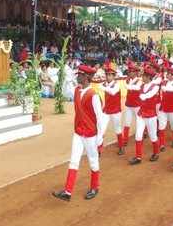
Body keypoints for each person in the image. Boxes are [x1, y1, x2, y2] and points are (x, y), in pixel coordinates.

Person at [52, 64, 103, 201]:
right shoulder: (77, 90)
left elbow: (100, 118)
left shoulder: (94, 95)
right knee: (74, 160)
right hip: (78, 132)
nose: (78, 77)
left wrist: (100, 139)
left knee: (93, 161)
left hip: (90, 134)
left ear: (86, 77)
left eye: (80, 75)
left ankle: (94, 187)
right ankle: (67, 192)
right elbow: (63, 92)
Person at [129, 65, 160, 165]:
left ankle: (156, 153)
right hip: (142, 113)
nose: (142, 77)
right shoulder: (141, 86)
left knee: (153, 136)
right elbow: (133, 87)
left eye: (144, 76)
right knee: (138, 135)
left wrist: (143, 96)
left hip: (151, 115)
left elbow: (150, 95)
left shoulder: (155, 87)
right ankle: (138, 157)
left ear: (148, 77)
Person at [99, 63, 123, 155]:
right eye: (107, 74)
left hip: (116, 111)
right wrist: (104, 86)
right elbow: (102, 87)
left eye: (110, 75)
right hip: (106, 110)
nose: (108, 76)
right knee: (102, 129)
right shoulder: (104, 84)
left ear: (114, 76)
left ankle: (121, 147)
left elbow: (112, 92)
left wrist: (104, 87)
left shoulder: (117, 85)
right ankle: (99, 149)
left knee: (118, 129)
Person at [122, 61, 142, 149]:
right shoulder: (128, 80)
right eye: (129, 71)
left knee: (139, 122)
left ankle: (140, 135)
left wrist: (127, 85)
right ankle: (125, 139)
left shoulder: (139, 80)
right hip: (129, 104)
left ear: (135, 72)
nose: (130, 73)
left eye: (132, 71)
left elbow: (136, 88)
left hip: (137, 105)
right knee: (127, 122)